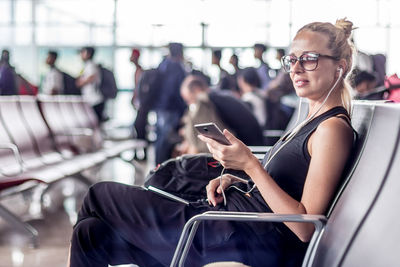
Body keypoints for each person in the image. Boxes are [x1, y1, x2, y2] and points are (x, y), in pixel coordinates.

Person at [69, 18, 356, 267]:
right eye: (292, 59)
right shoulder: (310, 119)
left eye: (309, 58)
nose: (295, 69)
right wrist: (237, 179)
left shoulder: (332, 129)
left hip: (241, 236)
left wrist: (252, 166)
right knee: (90, 234)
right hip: (229, 221)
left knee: (97, 196)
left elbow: (305, 226)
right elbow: (285, 186)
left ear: (339, 68)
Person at [174, 74, 233, 156]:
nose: (189, 104)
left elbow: (198, 145)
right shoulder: (217, 99)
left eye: (188, 100)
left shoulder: (202, 103)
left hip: (215, 154)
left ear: (197, 90)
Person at [153, 42, 187, 164]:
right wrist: (183, 109)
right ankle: (162, 168)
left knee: (160, 138)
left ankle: (157, 167)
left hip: (161, 107)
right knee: (166, 140)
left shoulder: (163, 64)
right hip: (171, 108)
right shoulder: (176, 67)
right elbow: (177, 91)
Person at [76, 46, 104, 122]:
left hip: (95, 100)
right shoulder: (88, 65)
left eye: (83, 52)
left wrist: (80, 82)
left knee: (95, 124)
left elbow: (91, 77)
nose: (81, 55)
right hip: (91, 100)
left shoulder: (91, 65)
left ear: (88, 54)